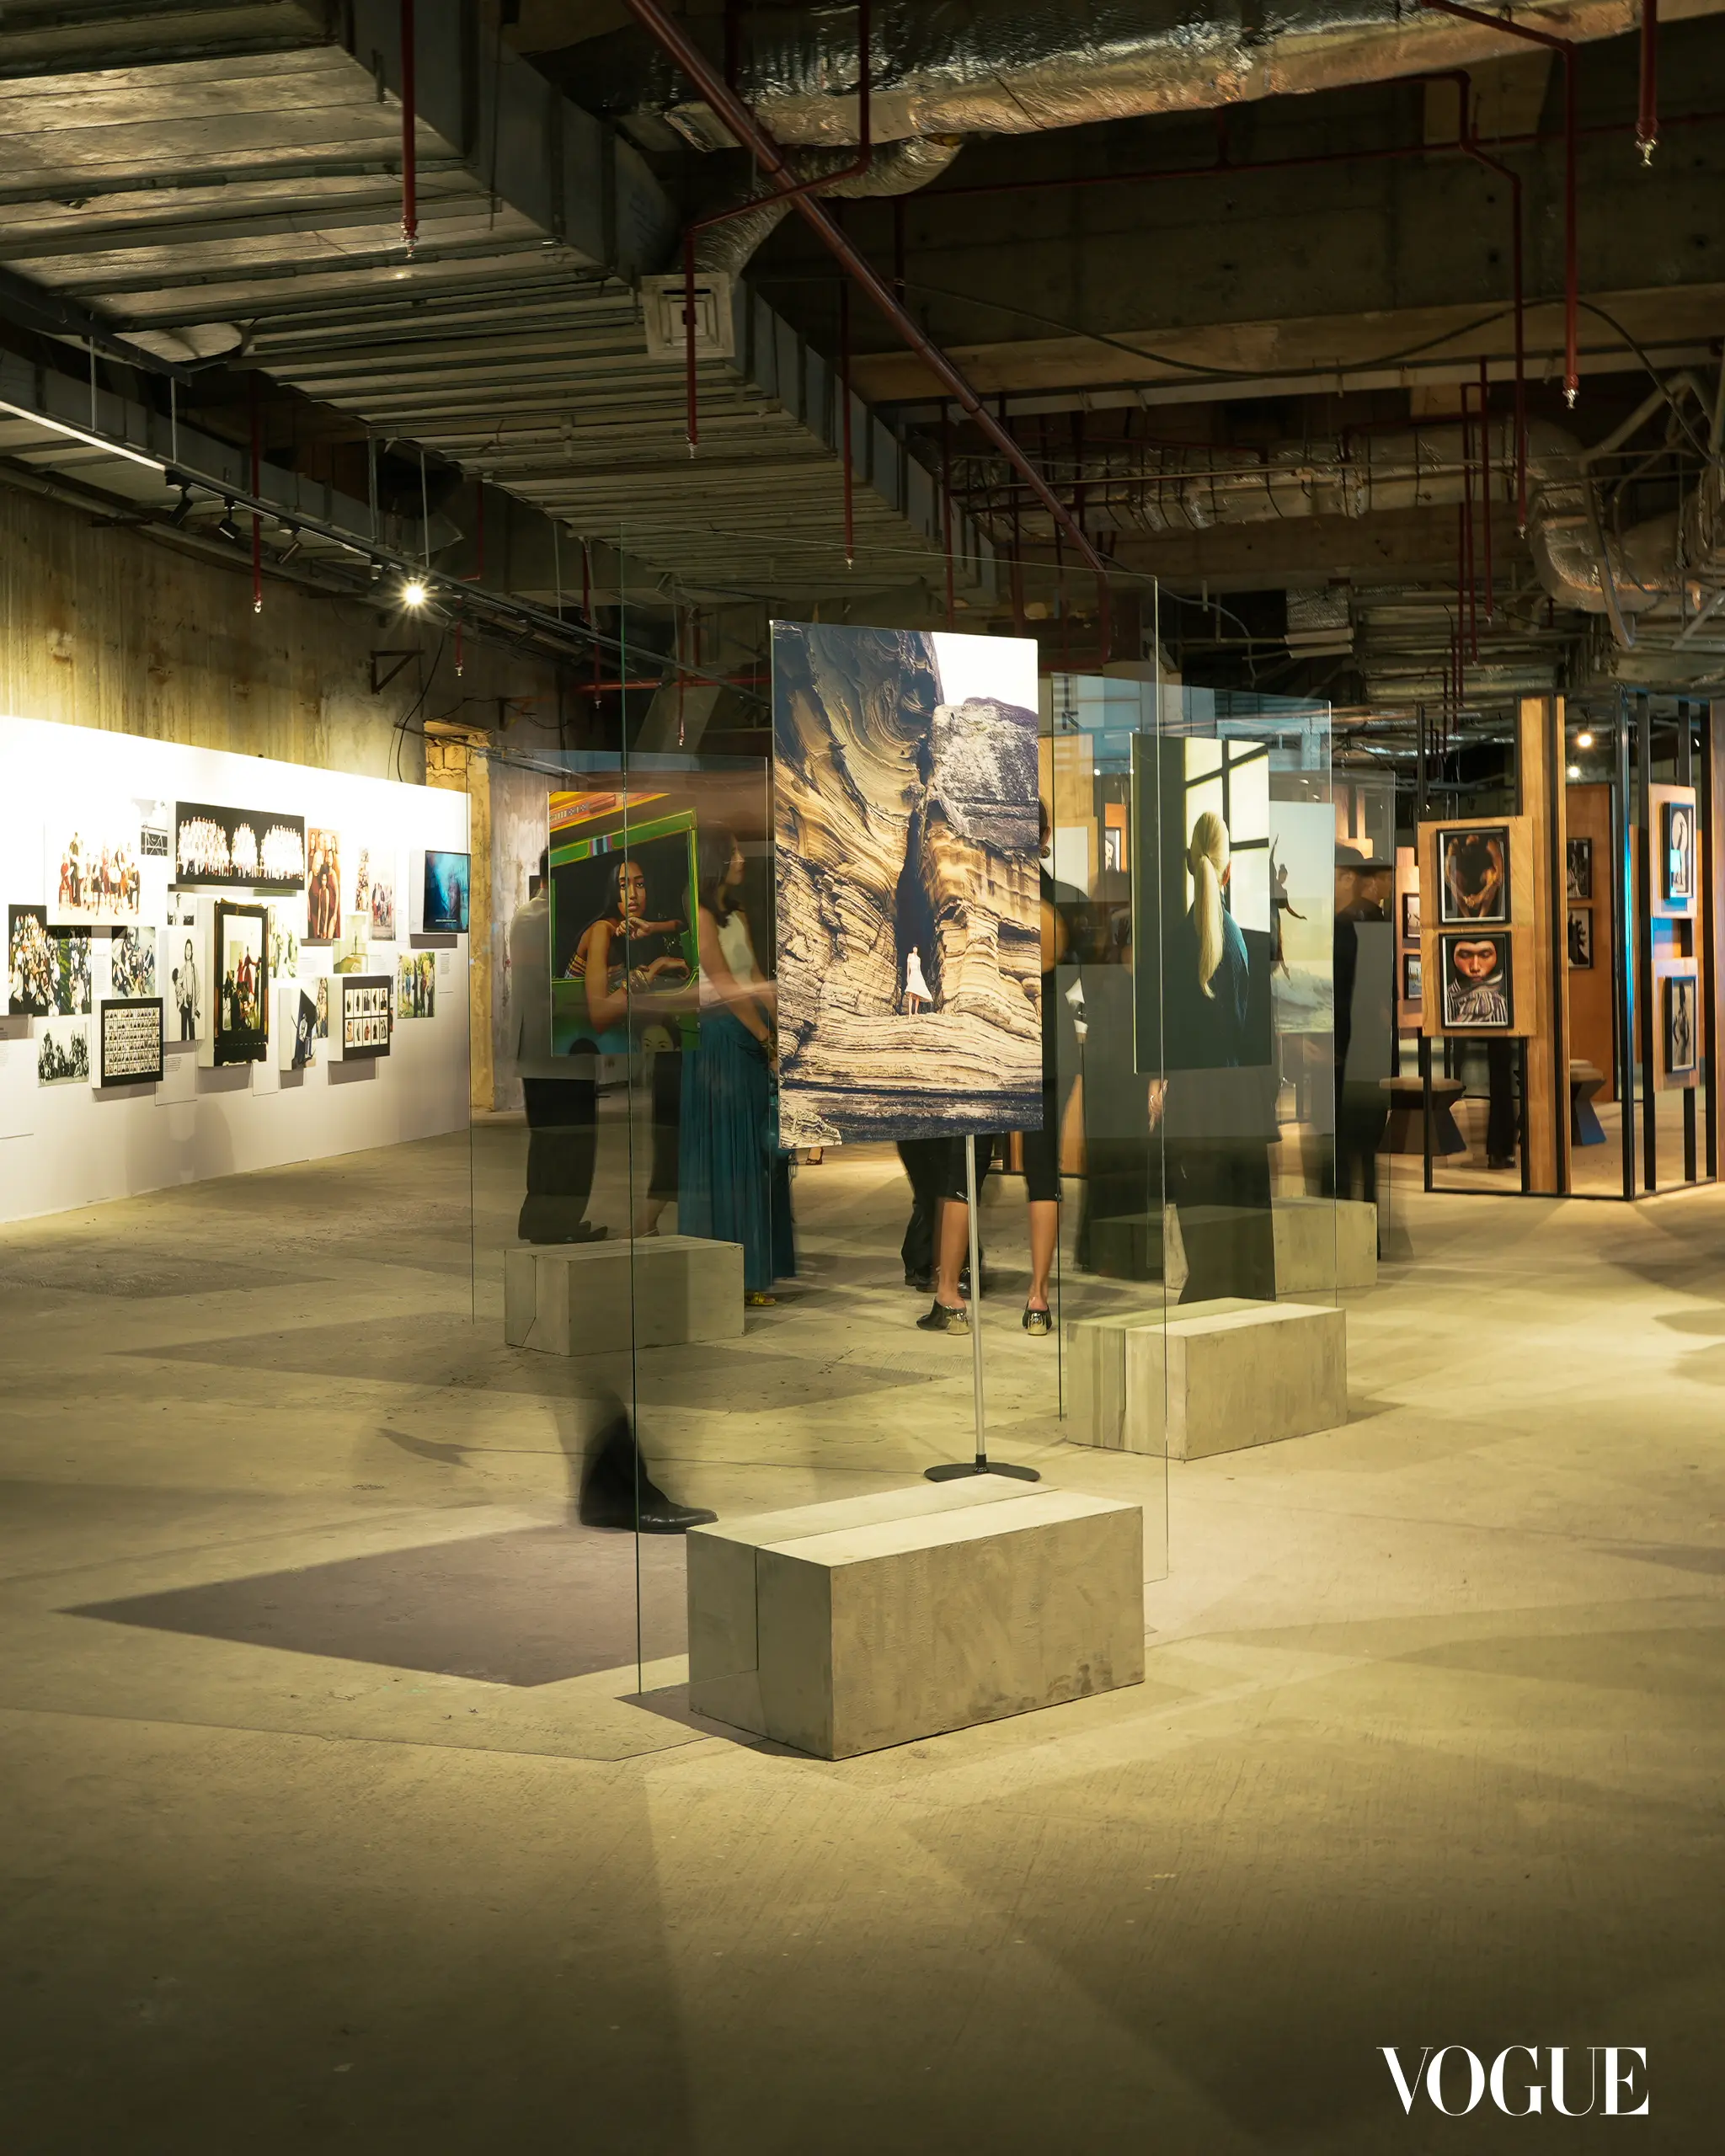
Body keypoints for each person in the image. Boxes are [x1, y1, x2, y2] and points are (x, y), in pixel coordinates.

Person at [679, 827, 793, 1305]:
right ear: (717, 862)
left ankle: (754, 1269)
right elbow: (724, 983)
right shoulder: (700, 912)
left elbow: (754, 976)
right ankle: (732, 1274)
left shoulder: (736, 913)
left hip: (749, 1031)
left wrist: (781, 1025)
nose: (743, 858)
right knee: (731, 1155)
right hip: (722, 1039)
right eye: (734, 852)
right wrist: (764, 1036)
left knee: (756, 1154)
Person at [510, 848, 604, 1244]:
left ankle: (542, 1220)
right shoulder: (559, 919)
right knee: (573, 1142)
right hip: (563, 1049)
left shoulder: (525, 915)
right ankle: (557, 1222)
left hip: (534, 1050)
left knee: (547, 1139)